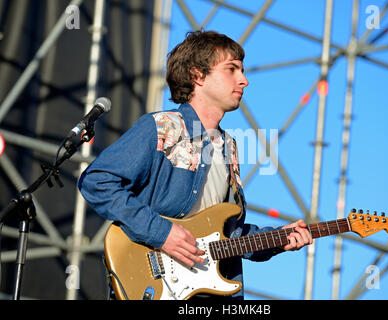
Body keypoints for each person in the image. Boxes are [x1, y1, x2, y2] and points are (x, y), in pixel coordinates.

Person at [78, 30, 312, 300]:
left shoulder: (230, 147)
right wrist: (161, 233)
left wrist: (277, 239)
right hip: (156, 286)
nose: (244, 81)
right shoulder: (162, 127)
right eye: (231, 69)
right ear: (197, 75)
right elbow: (97, 181)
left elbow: (227, 235)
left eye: (242, 71)